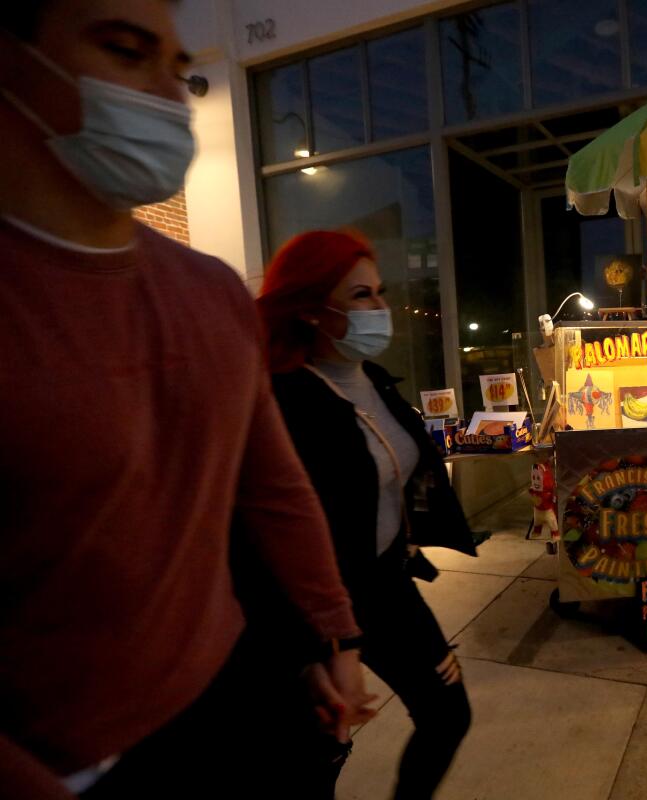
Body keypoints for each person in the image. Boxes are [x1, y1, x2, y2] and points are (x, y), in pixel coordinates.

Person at [0, 3, 376, 798]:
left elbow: (272, 488)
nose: (169, 99)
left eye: (178, 67)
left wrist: (334, 632)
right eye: (127, 53)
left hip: (233, 700)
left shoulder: (206, 291)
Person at [256, 230, 478, 800]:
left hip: (385, 584)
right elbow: (268, 535)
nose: (380, 309)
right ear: (308, 310)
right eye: (361, 296)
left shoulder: (373, 380)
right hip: (316, 605)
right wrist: (320, 652)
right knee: (318, 753)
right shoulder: (282, 401)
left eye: (380, 292)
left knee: (447, 713)